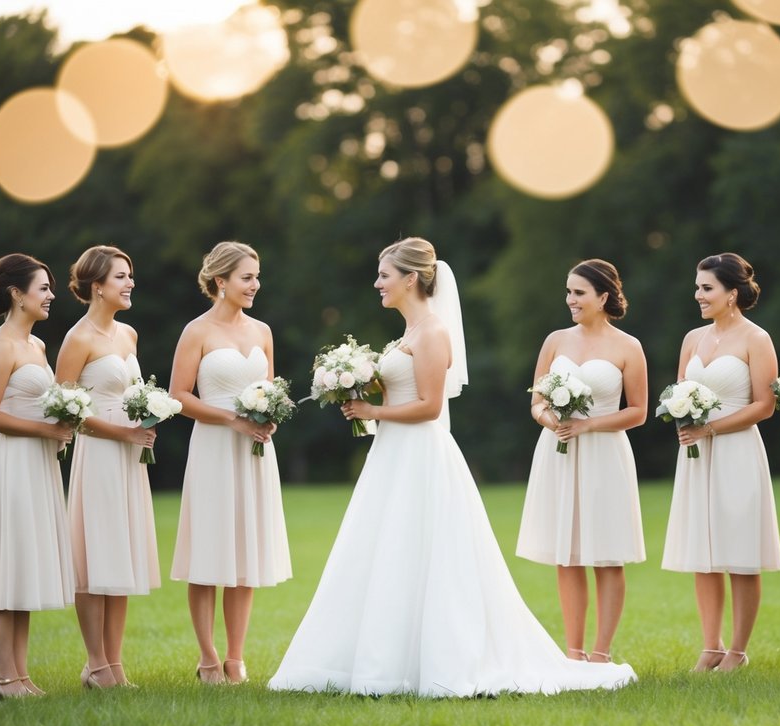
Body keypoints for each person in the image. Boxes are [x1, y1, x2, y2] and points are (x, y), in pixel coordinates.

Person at [269, 237, 635, 696]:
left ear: (410, 279)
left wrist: (373, 413)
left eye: (384, 275)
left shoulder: (433, 332)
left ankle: (441, 661)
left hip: (421, 454)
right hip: (392, 457)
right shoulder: (407, 334)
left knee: (425, 553)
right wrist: (354, 384)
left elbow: (427, 406)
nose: (377, 283)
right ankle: (380, 661)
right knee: (385, 552)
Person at [170, 241, 291, 685]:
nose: (255, 285)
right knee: (209, 552)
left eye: (257, 277)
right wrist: (231, 420)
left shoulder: (262, 331)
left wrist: (271, 416)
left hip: (256, 451)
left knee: (245, 554)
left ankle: (236, 658)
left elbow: (271, 388)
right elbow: (178, 397)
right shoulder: (196, 332)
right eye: (247, 277)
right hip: (215, 449)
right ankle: (207, 658)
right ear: (220, 281)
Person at [515, 259, 648, 664]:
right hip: (558, 452)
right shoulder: (556, 340)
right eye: (568, 292)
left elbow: (638, 411)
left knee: (606, 555)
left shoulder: (628, 346)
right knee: (567, 554)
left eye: (578, 293)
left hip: (605, 455)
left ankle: (601, 652)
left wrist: (590, 426)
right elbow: (537, 402)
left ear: (603, 296)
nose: (570, 300)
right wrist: (550, 419)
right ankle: (573, 652)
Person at [661, 253, 780, 671]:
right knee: (704, 551)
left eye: (706, 288)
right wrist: (681, 417)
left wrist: (711, 429)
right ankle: (710, 645)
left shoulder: (756, 339)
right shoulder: (692, 338)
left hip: (736, 452)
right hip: (696, 455)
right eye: (697, 287)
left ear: (732, 294)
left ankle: (737, 650)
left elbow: (766, 405)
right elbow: (678, 392)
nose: (698, 295)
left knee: (739, 553)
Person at [0, 254, 75, 698]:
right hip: (11, 465)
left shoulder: (37, 347)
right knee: (5, 572)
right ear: (17, 294)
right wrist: (47, 429)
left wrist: (61, 430)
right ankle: (3, 678)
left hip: (39, 465)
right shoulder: (1, 346)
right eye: (43, 288)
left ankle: (22, 675)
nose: (51, 296)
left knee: (24, 571)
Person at [56, 245, 160, 690]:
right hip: (99, 456)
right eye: (121, 276)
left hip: (130, 457)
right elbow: (62, 410)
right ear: (97, 286)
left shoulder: (128, 335)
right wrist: (122, 433)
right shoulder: (78, 340)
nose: (130, 282)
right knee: (94, 557)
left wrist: (147, 414)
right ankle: (95, 663)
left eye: (130, 275)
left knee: (121, 557)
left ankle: (114, 666)